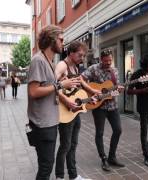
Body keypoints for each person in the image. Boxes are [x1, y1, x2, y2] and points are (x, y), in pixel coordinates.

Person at [27, 25, 80, 180]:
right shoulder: (39, 60)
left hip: (48, 122)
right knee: (46, 167)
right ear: (51, 39)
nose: (63, 43)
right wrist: (60, 85)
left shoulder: (47, 60)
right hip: (43, 124)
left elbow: (47, 87)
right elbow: (33, 91)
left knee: (46, 165)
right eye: (61, 39)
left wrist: (60, 83)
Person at [55, 41, 96, 180]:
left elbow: (81, 82)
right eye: (80, 55)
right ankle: (59, 176)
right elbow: (51, 85)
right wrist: (66, 101)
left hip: (75, 111)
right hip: (65, 111)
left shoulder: (75, 66)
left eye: (84, 56)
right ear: (71, 53)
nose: (82, 58)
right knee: (65, 145)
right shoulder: (62, 65)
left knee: (73, 145)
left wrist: (92, 92)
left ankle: (73, 176)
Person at [82, 49, 125, 171]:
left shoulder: (114, 71)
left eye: (110, 60)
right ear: (101, 59)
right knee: (100, 133)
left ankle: (112, 156)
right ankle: (103, 158)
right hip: (98, 106)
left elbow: (113, 91)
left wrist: (119, 90)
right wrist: (91, 91)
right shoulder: (93, 69)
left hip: (112, 106)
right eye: (106, 60)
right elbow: (82, 79)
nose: (108, 62)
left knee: (118, 130)